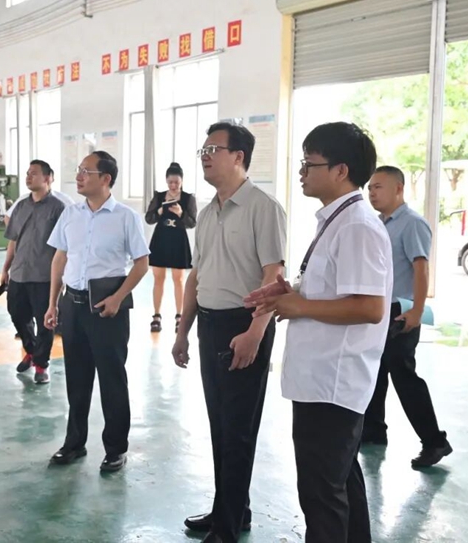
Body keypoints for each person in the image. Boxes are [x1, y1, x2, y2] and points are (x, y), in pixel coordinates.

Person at [245, 122, 393, 543]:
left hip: (333, 382)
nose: (302, 172)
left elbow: (370, 307)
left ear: (340, 170)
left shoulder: (357, 227)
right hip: (321, 380)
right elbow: (338, 290)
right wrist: (292, 292)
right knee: (341, 482)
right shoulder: (338, 220)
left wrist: (300, 306)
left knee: (321, 494)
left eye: (310, 164)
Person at [171, 122, 287, 543]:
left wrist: (256, 332)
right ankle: (232, 509)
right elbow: (196, 276)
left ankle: (227, 527)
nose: (205, 156)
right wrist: (183, 331)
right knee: (220, 424)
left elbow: (274, 276)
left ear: (239, 157)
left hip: (245, 326)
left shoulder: (263, 208)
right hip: (211, 326)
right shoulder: (205, 214)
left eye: (213, 149)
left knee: (238, 428)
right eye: (203, 150)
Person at [44, 151, 150, 472]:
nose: (79, 176)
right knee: (76, 380)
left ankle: (116, 448)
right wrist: (52, 303)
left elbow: (141, 264)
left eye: (86, 171)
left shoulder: (126, 217)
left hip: (107, 309)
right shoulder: (70, 214)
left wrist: (118, 297)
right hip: (72, 306)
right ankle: (74, 443)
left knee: (112, 379)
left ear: (106, 179)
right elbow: (60, 259)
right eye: (78, 170)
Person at [364, 165, 452, 466]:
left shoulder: (412, 223)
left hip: (401, 311)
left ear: (399, 189)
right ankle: (373, 431)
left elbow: (421, 268)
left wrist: (416, 310)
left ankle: (435, 442)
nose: (372, 193)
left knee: (403, 375)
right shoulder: (380, 224)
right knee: (375, 372)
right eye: (370, 188)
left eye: (378, 187)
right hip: (380, 310)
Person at [1, 160, 66, 384]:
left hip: (45, 277)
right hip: (19, 273)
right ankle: (31, 350)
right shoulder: (21, 206)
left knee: (45, 321)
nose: (28, 177)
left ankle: (41, 364)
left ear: (48, 178)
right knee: (17, 315)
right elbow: (13, 240)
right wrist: (5, 269)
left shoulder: (58, 208)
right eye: (27, 173)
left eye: (34, 174)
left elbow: (64, 248)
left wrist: (61, 278)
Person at [145, 162, 197, 333]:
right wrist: (160, 211)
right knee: (158, 278)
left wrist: (181, 213)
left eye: (177, 182)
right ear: (166, 181)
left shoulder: (188, 198)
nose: (173, 186)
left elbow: (192, 222)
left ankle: (179, 316)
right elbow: (149, 219)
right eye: (170, 182)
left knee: (179, 280)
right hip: (161, 239)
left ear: (182, 181)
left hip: (178, 240)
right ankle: (156, 315)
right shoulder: (159, 196)